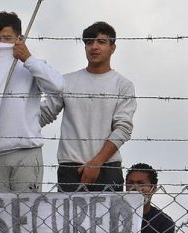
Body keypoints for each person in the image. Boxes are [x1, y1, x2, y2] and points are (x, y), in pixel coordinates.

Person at [40, 21, 137, 192]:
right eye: (89, 42)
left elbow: (123, 128)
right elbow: (43, 114)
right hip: (70, 167)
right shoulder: (67, 81)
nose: (94, 47)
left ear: (112, 48)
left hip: (108, 167)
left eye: (101, 42)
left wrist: (97, 162)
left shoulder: (123, 85)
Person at [0, 11, 63, 193]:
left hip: (26, 153)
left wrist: (28, 58)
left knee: (26, 210)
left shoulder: (31, 66)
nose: (2, 43)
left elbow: (57, 86)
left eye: (7, 38)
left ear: (19, 38)